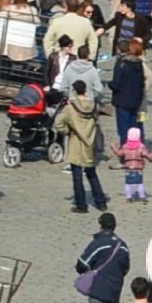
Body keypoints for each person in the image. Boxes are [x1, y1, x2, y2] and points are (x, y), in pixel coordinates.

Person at [74, 213, 128, 303]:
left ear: (101, 225)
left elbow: (81, 265)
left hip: (98, 289)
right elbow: (125, 268)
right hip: (115, 290)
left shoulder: (98, 243)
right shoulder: (122, 246)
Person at [60, 79, 110, 213]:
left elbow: (58, 123)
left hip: (76, 142)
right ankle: (101, 203)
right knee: (92, 173)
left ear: (75, 91)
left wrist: (67, 131)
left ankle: (81, 205)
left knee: (77, 176)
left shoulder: (70, 108)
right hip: (90, 143)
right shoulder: (94, 106)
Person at [110, 40, 147, 143]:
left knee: (123, 129)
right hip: (136, 100)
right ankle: (135, 150)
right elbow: (142, 82)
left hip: (122, 101)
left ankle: (126, 153)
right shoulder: (138, 63)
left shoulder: (121, 63)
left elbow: (116, 84)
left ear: (119, 50)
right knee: (133, 128)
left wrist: (110, 84)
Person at [116, 127, 152, 202]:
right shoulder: (141, 147)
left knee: (128, 183)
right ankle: (142, 196)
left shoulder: (125, 146)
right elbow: (147, 155)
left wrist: (113, 147)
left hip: (129, 169)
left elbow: (119, 153)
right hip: (138, 169)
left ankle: (129, 197)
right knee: (139, 183)